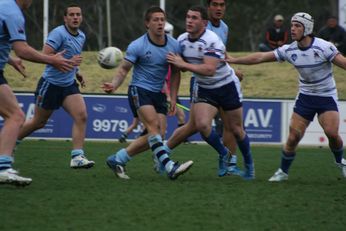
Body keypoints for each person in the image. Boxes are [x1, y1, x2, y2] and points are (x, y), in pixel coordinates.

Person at [227, 12, 346, 181]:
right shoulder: (289, 49)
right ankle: (282, 172)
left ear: (307, 28)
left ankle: (340, 161)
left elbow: (344, 63)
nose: (292, 29)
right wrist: (234, 60)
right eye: (291, 25)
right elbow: (261, 57)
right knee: (293, 137)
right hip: (305, 97)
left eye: (297, 26)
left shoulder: (324, 47)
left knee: (332, 133)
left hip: (326, 96)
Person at [102, 6, 193, 180]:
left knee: (157, 133)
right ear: (147, 23)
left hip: (158, 92)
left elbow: (175, 73)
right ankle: (170, 166)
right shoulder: (137, 45)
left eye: (162, 19)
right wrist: (114, 85)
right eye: (155, 20)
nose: (160, 23)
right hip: (139, 90)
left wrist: (173, 97)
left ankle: (117, 159)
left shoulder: (174, 45)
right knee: (153, 127)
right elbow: (123, 70)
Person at [165, 6, 255, 179]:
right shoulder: (181, 40)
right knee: (202, 125)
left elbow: (209, 69)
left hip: (227, 85)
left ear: (204, 23)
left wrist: (183, 64)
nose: (189, 21)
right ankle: (224, 155)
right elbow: (177, 70)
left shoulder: (212, 40)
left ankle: (249, 164)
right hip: (205, 88)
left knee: (236, 129)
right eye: (188, 17)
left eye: (194, 18)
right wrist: (173, 96)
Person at [0, 0, 76, 186]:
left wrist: (10, 61)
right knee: (16, 116)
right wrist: (51, 60)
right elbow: (23, 50)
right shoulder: (13, 12)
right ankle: (3, 168)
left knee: (15, 115)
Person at [16, 4, 95, 169]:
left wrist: (77, 71)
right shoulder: (58, 33)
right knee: (39, 122)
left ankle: (77, 157)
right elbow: (44, 55)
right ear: (65, 18)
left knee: (82, 116)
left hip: (68, 85)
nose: (75, 17)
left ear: (81, 17)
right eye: (71, 15)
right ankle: (9, 143)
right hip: (50, 84)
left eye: (78, 15)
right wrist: (61, 62)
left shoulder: (81, 35)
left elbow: (73, 57)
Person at [206, 0, 242, 175]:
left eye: (222, 5)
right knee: (198, 126)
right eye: (215, 4)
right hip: (204, 83)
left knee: (231, 124)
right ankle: (164, 153)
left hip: (222, 82)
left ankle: (230, 164)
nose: (219, 8)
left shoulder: (225, 27)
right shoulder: (201, 26)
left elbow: (223, 53)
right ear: (208, 7)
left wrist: (233, 69)